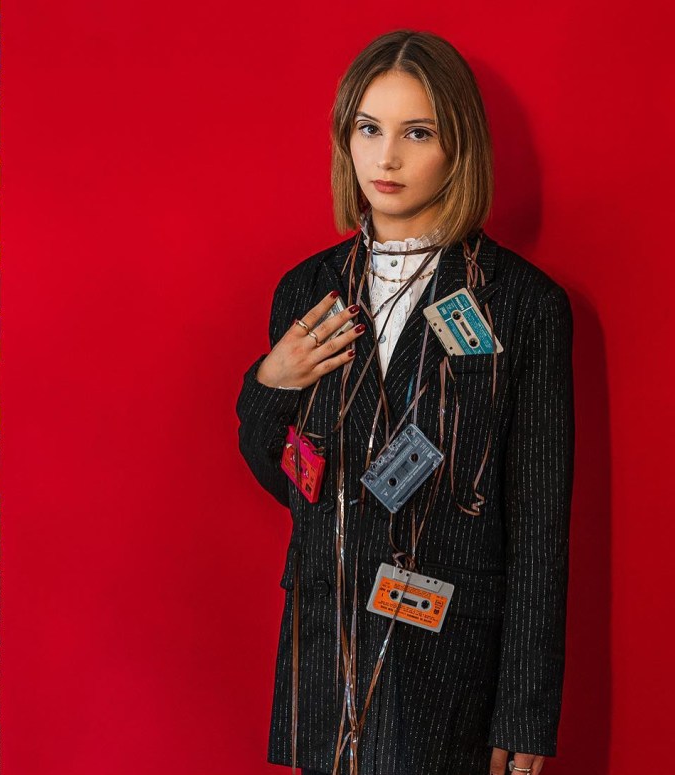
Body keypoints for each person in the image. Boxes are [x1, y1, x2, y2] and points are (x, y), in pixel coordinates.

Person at [235, 29, 574, 775]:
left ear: (458, 146)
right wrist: (269, 384)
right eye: (369, 128)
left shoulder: (523, 305)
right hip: (329, 651)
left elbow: (539, 528)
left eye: (416, 133)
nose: (385, 158)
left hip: (451, 667)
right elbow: (288, 479)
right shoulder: (308, 290)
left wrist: (526, 711)